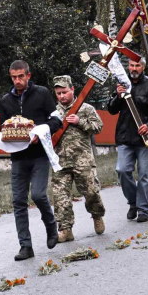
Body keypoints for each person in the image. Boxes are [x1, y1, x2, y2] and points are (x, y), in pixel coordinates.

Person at [0, 60, 62, 261]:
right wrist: (8, 134)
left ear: (29, 75)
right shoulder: (6, 100)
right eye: (13, 77)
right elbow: (5, 126)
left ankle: (51, 226)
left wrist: (41, 132)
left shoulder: (42, 93)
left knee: (37, 195)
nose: (17, 81)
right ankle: (25, 246)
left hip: (40, 155)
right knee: (18, 202)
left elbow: (56, 120)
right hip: (18, 158)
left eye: (21, 76)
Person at [52, 75, 105, 241]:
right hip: (60, 162)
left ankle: (97, 216)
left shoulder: (86, 108)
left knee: (91, 193)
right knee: (60, 197)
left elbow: (99, 127)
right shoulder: (53, 111)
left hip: (83, 161)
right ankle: (65, 229)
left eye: (65, 92)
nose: (62, 96)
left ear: (72, 89)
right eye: (58, 93)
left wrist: (80, 121)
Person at [108, 57, 148, 223]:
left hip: (144, 139)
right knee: (122, 171)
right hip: (125, 137)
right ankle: (134, 203)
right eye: (131, 65)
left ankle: (144, 210)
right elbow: (111, 109)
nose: (134, 68)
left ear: (143, 67)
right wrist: (118, 96)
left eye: (137, 65)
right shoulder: (121, 84)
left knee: (145, 175)